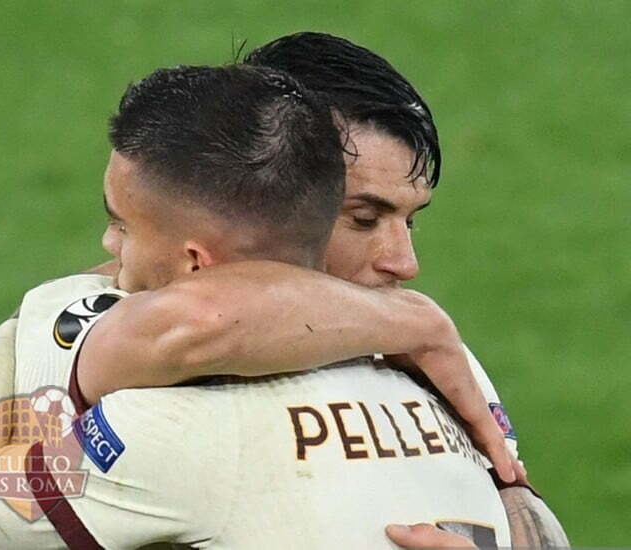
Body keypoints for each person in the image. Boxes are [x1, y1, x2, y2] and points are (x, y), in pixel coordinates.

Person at [0, 64, 512, 549]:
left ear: (196, 261)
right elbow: (524, 515)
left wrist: (41, 315)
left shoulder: (164, 426)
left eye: (122, 225)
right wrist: (418, 322)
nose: (110, 247)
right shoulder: (446, 377)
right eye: (365, 217)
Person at [74, 32, 568, 546]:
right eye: (364, 218)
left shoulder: (428, 353)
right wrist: (417, 324)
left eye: (410, 221)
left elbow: (523, 508)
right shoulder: (79, 325)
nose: (405, 263)